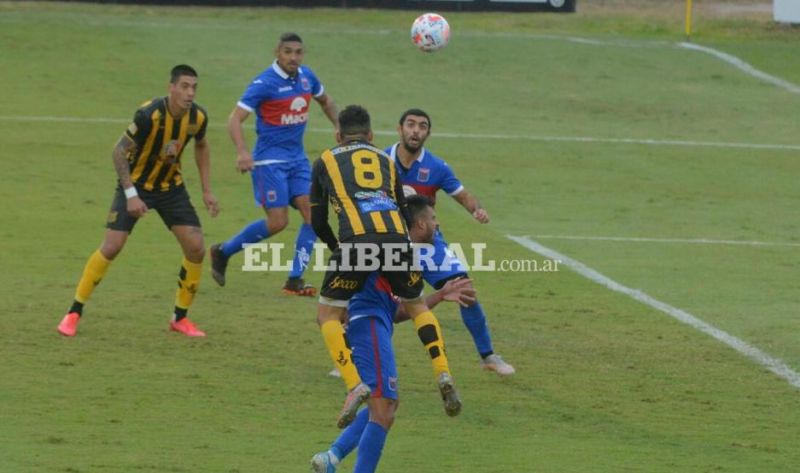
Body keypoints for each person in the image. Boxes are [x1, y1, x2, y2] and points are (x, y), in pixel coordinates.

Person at [310, 105, 460, 429]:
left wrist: (339, 250)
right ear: (371, 135)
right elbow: (403, 210)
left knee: (328, 315)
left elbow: (318, 221)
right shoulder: (386, 159)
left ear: (337, 135)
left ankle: (354, 385)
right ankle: (442, 372)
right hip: (395, 238)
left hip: (356, 241)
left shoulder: (325, 160)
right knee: (417, 306)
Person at [57, 64, 219, 338]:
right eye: (184, 87)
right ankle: (73, 312)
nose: (190, 93)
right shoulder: (149, 115)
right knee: (112, 246)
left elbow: (201, 145)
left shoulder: (197, 117)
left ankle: (180, 318)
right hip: (136, 185)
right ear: (171, 87)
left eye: (194, 87)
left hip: (171, 188)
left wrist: (207, 190)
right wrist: (131, 194)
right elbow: (118, 152)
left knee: (196, 248)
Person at [387, 108, 516, 375]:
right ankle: (351, 355)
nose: (416, 130)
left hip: (427, 243)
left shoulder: (436, 167)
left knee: (464, 288)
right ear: (399, 129)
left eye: (422, 126)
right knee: (372, 298)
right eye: (410, 125)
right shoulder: (380, 160)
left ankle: (488, 356)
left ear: (428, 133)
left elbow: (462, 194)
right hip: (387, 242)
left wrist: (476, 209)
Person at [209, 32, 339, 295]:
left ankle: (294, 279)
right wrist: (242, 152)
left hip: (298, 160)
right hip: (269, 162)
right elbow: (234, 119)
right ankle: (223, 251)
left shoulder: (307, 77)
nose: (293, 57)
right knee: (278, 222)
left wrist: (339, 125)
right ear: (277, 53)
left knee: (313, 215)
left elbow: (326, 101)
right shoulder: (264, 83)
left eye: (298, 52)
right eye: (288, 52)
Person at [310, 272, 475, 473]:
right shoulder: (382, 256)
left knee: (387, 403)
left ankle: (332, 457)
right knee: (383, 409)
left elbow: (400, 310)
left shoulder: (395, 268)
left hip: (375, 327)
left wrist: (439, 295)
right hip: (368, 325)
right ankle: (335, 457)